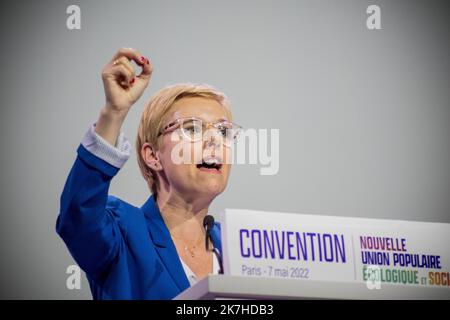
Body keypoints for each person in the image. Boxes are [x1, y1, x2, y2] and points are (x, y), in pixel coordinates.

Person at [56, 47, 242, 299]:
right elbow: (77, 216)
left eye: (223, 132)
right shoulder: (121, 233)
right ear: (153, 156)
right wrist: (114, 112)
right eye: (192, 129)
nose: (214, 141)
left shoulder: (240, 246)